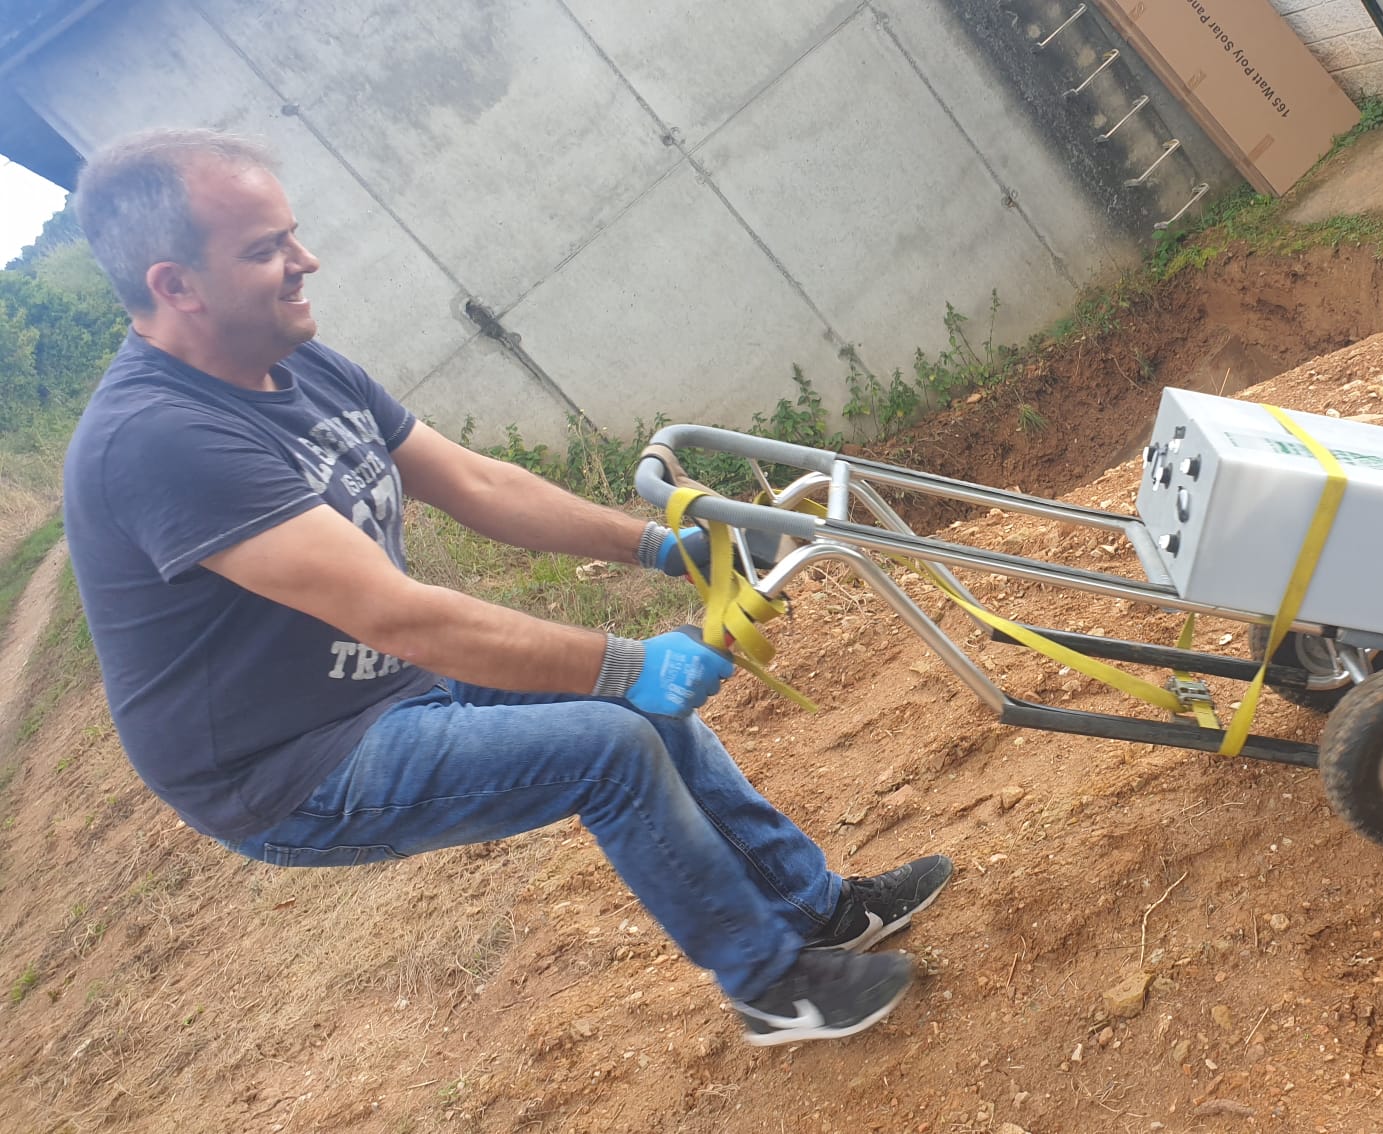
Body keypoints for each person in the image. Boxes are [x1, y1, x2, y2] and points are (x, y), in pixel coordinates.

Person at [60, 128, 950, 1046]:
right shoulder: (159, 439)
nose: (305, 261)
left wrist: (663, 546)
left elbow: (479, 484)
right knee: (610, 743)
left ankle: (819, 913)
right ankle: (771, 987)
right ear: (175, 286)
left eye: (292, 234)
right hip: (288, 766)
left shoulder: (298, 361)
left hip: (384, 682)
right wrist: (624, 663)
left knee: (645, 717)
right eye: (265, 250)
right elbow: (394, 613)